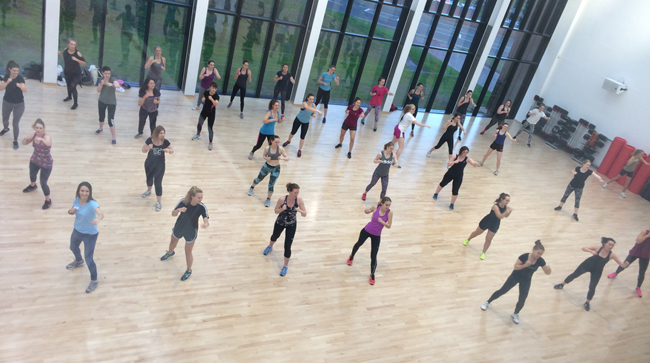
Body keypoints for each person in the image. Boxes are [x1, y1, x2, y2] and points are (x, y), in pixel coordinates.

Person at [480, 240, 551, 324]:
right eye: (538, 253)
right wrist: (525, 265)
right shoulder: (524, 256)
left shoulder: (540, 261)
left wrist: (548, 270)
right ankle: (487, 302)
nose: (539, 255)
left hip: (526, 280)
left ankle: (515, 313)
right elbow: (516, 267)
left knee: (522, 298)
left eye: (541, 254)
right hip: (515, 277)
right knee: (502, 290)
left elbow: (547, 273)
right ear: (533, 250)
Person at [554, 237, 630, 311]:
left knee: (593, 286)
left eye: (612, 245)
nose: (611, 246)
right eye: (609, 244)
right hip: (587, 264)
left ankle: (587, 302)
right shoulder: (597, 248)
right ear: (604, 243)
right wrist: (591, 251)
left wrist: (626, 264)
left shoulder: (612, 255)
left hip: (597, 271)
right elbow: (583, 248)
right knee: (574, 275)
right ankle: (562, 284)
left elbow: (621, 265)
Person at [160, 186, 209, 281]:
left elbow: (206, 217)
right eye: (198, 197)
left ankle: (188, 270)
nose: (200, 199)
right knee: (173, 242)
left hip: (191, 231)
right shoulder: (183, 202)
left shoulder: (201, 207)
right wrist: (179, 210)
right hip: (179, 227)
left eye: (201, 197)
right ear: (192, 196)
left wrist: (206, 224)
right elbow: (173, 214)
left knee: (188, 252)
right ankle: (170, 253)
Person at [262, 183, 307, 277]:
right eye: (295, 192)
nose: (297, 194)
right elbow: (275, 211)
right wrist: (282, 209)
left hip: (291, 225)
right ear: (289, 191)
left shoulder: (299, 200)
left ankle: (285, 266)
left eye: (298, 192)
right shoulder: (282, 199)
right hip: (280, 222)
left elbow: (304, 214)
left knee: (287, 245)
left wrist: (300, 211)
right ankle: (270, 246)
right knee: (275, 236)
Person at [66, 182, 104, 293]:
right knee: (73, 247)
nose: (84, 193)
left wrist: (98, 218)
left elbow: (101, 214)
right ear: (78, 191)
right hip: (77, 231)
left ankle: (94, 280)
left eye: (87, 191)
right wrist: (70, 211)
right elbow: (71, 211)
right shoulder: (77, 200)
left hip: (90, 235)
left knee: (89, 259)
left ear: (90, 192)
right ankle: (78, 261)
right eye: (82, 191)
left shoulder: (92, 203)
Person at [346, 197, 393, 285]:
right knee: (359, 243)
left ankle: (372, 274)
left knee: (373, 255)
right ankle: (351, 256)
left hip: (377, 235)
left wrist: (382, 222)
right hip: (367, 230)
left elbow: (389, 225)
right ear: (382, 204)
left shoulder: (390, 213)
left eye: (389, 205)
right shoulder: (376, 207)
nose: (388, 206)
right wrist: (367, 211)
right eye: (386, 205)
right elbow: (369, 210)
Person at [462, 193, 512, 260]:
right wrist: (506, 211)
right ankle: (468, 239)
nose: (507, 202)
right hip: (487, 221)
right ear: (502, 199)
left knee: (488, 239)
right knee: (477, 233)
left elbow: (505, 216)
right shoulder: (495, 206)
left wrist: (509, 212)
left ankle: (483, 253)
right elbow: (499, 216)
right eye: (506, 200)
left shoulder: (505, 207)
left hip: (495, 224)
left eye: (508, 201)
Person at [432, 146, 479, 210]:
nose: (465, 154)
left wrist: (475, 163)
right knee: (443, 183)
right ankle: (436, 193)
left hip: (458, 176)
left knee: (455, 190)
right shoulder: (455, 156)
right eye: (464, 152)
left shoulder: (467, 159)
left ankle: (452, 204)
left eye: (466, 152)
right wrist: (454, 162)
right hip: (450, 173)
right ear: (461, 151)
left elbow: (473, 163)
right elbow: (448, 163)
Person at [248, 135, 289, 207]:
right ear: (271, 141)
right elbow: (264, 156)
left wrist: (282, 158)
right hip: (266, 166)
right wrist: (266, 158)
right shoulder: (267, 148)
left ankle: (268, 199)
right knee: (258, 179)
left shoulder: (280, 149)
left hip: (276, 168)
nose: (277, 143)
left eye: (278, 142)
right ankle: (251, 187)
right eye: (276, 142)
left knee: (271, 185)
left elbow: (287, 158)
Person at [608, 230, 650, 298]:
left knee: (642, 272)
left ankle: (638, 288)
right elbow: (638, 241)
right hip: (635, 252)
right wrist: (647, 236)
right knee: (625, 264)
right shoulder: (645, 232)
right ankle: (615, 273)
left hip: (645, 256)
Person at [22, 119, 53, 210]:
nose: (38, 129)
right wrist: (25, 139)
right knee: (32, 174)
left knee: (43, 182)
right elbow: (24, 143)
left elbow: (48, 143)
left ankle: (48, 200)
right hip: (35, 159)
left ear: (43, 128)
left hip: (46, 162)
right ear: (34, 128)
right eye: (37, 127)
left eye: (40, 128)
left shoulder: (46, 137)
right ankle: (32, 185)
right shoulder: (34, 135)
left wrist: (41, 139)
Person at [142, 126, 173, 212]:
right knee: (149, 178)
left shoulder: (165, 142)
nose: (163, 135)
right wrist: (148, 148)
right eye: (161, 133)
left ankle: (158, 202)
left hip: (160, 165)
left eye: (163, 133)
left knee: (158, 183)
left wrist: (168, 150)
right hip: (149, 164)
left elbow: (172, 150)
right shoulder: (149, 140)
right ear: (156, 133)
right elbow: (143, 150)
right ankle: (148, 190)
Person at [282, 93, 321, 157]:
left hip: (306, 122)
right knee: (293, 132)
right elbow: (307, 108)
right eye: (310, 99)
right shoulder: (304, 103)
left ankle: (299, 150)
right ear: (307, 98)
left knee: (302, 137)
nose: (312, 100)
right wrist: (317, 111)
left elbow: (314, 114)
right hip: (298, 119)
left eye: (313, 99)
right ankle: (288, 141)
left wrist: (314, 114)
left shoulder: (314, 105)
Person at [0, 60, 26, 150]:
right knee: (5, 119)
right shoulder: (6, 77)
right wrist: (8, 81)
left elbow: (24, 90)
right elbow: (1, 88)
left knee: (15, 123)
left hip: (19, 104)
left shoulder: (20, 78)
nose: (16, 72)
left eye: (17, 71)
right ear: (9, 69)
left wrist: (21, 87)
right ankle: (6, 129)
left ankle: (15, 140)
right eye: (14, 70)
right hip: (7, 102)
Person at [58, 38, 87, 110]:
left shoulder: (77, 53)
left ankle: (75, 104)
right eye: (71, 44)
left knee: (73, 87)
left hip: (76, 73)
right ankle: (69, 96)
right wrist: (61, 54)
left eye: (74, 45)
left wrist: (76, 59)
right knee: (68, 84)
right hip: (67, 72)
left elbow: (84, 63)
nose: (72, 46)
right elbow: (66, 58)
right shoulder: (65, 51)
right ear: (68, 44)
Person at [95, 66, 120, 144]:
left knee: (110, 120)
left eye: (108, 73)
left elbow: (118, 85)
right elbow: (98, 90)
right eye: (106, 73)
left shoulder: (112, 79)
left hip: (111, 103)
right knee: (101, 116)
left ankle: (113, 137)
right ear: (102, 73)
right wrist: (102, 84)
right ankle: (100, 128)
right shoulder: (101, 80)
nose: (107, 75)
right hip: (102, 101)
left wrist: (111, 85)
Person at [191, 82, 219, 150]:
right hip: (204, 111)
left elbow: (216, 104)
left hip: (211, 113)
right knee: (199, 123)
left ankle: (210, 142)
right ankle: (198, 135)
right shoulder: (206, 93)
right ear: (210, 87)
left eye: (215, 88)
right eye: (213, 88)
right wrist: (203, 100)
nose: (214, 90)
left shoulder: (216, 96)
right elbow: (203, 100)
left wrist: (211, 99)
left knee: (210, 128)